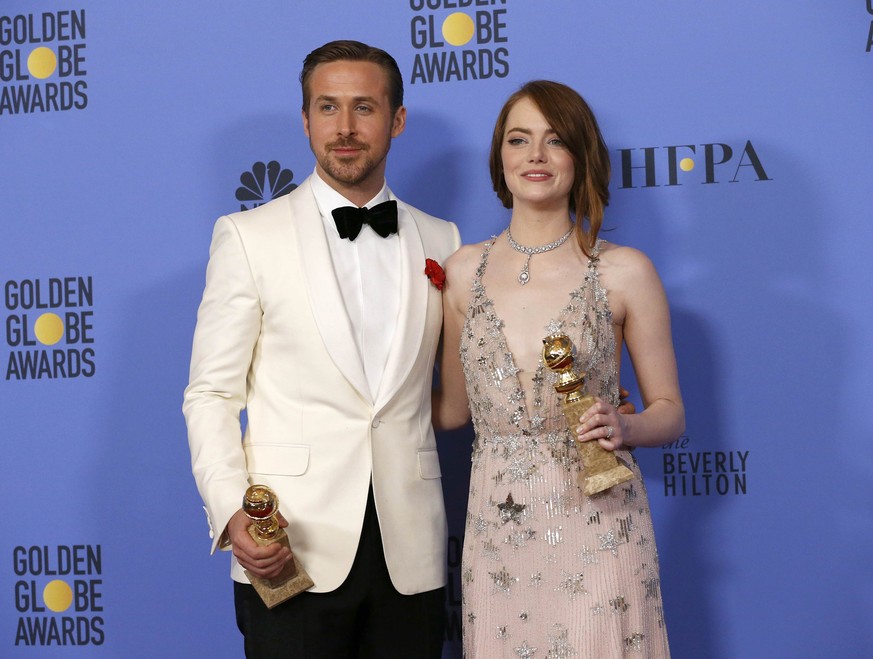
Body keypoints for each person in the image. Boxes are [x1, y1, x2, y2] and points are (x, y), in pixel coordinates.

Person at [183, 40, 461, 658]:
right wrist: (233, 515)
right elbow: (211, 394)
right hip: (288, 545)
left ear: (397, 120)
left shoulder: (444, 240)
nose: (344, 128)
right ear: (305, 120)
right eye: (327, 107)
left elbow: (461, 385)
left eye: (364, 108)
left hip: (409, 551)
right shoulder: (248, 237)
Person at [433, 81, 685, 657]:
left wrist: (627, 427)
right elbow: (450, 411)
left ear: (581, 155)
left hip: (599, 524)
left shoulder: (624, 272)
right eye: (519, 140)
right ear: (501, 156)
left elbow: (669, 412)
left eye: (555, 141)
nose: (536, 156)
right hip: (497, 535)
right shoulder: (462, 272)